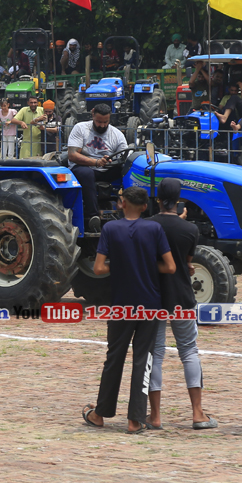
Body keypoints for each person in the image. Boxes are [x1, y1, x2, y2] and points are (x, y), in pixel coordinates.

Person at [82, 186, 176, 435]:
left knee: (114, 357)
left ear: (122, 204)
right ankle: (135, 419)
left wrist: (121, 265)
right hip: (149, 304)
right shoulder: (154, 229)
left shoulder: (110, 229)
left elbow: (99, 269)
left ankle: (100, 413)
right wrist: (146, 265)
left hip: (121, 304)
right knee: (143, 359)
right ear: (145, 207)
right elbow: (170, 267)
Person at [146, 177, 215, 430]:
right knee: (189, 351)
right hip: (181, 296)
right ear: (179, 200)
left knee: (155, 354)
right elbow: (186, 262)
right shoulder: (190, 230)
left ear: (157, 199)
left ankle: (155, 415)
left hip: (154, 296)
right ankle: (197, 413)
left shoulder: (147, 226)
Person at [66, 104, 128, 232]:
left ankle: (127, 206)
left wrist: (114, 161)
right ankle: (93, 216)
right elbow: (72, 155)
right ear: (93, 115)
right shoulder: (80, 128)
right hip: (82, 168)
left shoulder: (116, 134)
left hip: (106, 169)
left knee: (128, 169)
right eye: (99, 122)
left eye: (105, 122)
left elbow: (124, 155)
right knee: (87, 174)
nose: (102, 125)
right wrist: (96, 162)